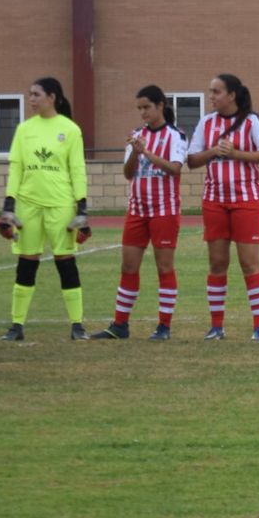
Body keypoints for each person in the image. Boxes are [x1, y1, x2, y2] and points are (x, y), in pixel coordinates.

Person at [92, 85, 188, 341]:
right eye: (139, 109)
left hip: (164, 210)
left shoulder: (176, 136)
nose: (143, 113)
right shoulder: (137, 135)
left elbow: (175, 169)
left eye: (147, 107)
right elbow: (127, 173)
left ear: (160, 105)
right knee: (128, 266)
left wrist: (146, 152)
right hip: (137, 209)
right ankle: (120, 325)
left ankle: (164, 326)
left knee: (164, 267)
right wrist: (135, 153)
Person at [0, 77, 90, 342]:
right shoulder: (24, 129)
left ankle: (77, 325)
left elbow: (77, 169)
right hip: (28, 205)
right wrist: (9, 204)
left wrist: (82, 207)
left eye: (36, 94)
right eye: (30, 95)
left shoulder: (70, 129)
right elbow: (16, 168)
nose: (32, 99)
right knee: (27, 263)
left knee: (66, 262)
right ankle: (16, 326)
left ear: (53, 97)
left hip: (61, 205)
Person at [185, 74, 259, 341]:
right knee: (217, 263)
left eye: (216, 92)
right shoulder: (206, 122)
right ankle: (216, 326)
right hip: (214, 201)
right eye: (210, 91)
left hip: (246, 201)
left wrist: (235, 154)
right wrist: (214, 151)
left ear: (232, 95)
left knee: (249, 263)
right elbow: (192, 160)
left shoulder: (252, 121)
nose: (211, 96)